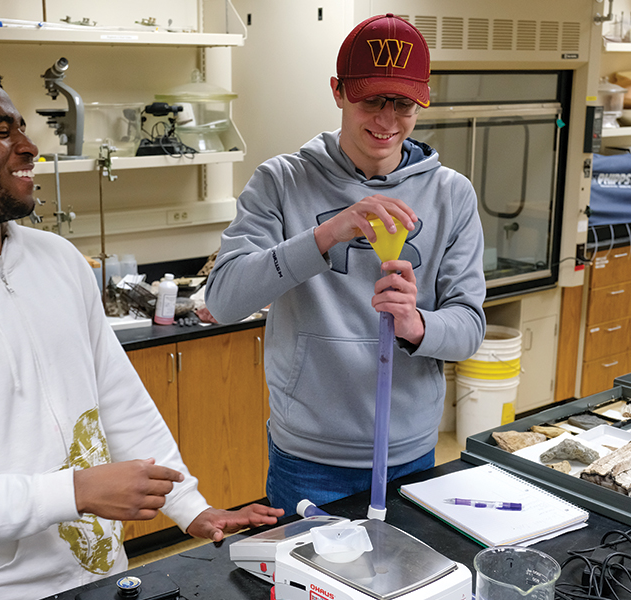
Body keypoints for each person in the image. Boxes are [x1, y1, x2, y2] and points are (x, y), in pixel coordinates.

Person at [0, 64, 282, 599]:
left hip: (102, 576)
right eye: (1, 131)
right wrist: (75, 491)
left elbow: (119, 398)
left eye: (21, 126)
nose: (28, 146)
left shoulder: (57, 260)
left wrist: (190, 507)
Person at [204, 14, 487, 515]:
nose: (386, 119)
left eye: (402, 103)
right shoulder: (281, 182)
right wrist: (324, 236)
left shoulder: (452, 194)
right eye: (370, 99)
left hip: (413, 453)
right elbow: (224, 301)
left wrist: (418, 325)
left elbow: (468, 327)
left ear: (422, 101)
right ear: (338, 92)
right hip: (309, 459)